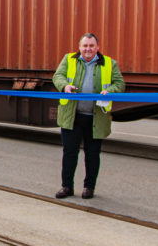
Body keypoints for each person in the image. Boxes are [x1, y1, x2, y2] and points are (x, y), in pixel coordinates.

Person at [52, 33, 125, 199]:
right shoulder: (69, 59)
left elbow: (119, 84)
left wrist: (110, 91)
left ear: (97, 47)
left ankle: (89, 187)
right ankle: (67, 186)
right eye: (85, 46)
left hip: (96, 118)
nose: (88, 49)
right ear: (79, 47)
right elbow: (57, 76)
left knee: (92, 155)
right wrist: (65, 86)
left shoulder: (109, 63)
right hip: (72, 116)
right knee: (69, 153)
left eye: (91, 46)